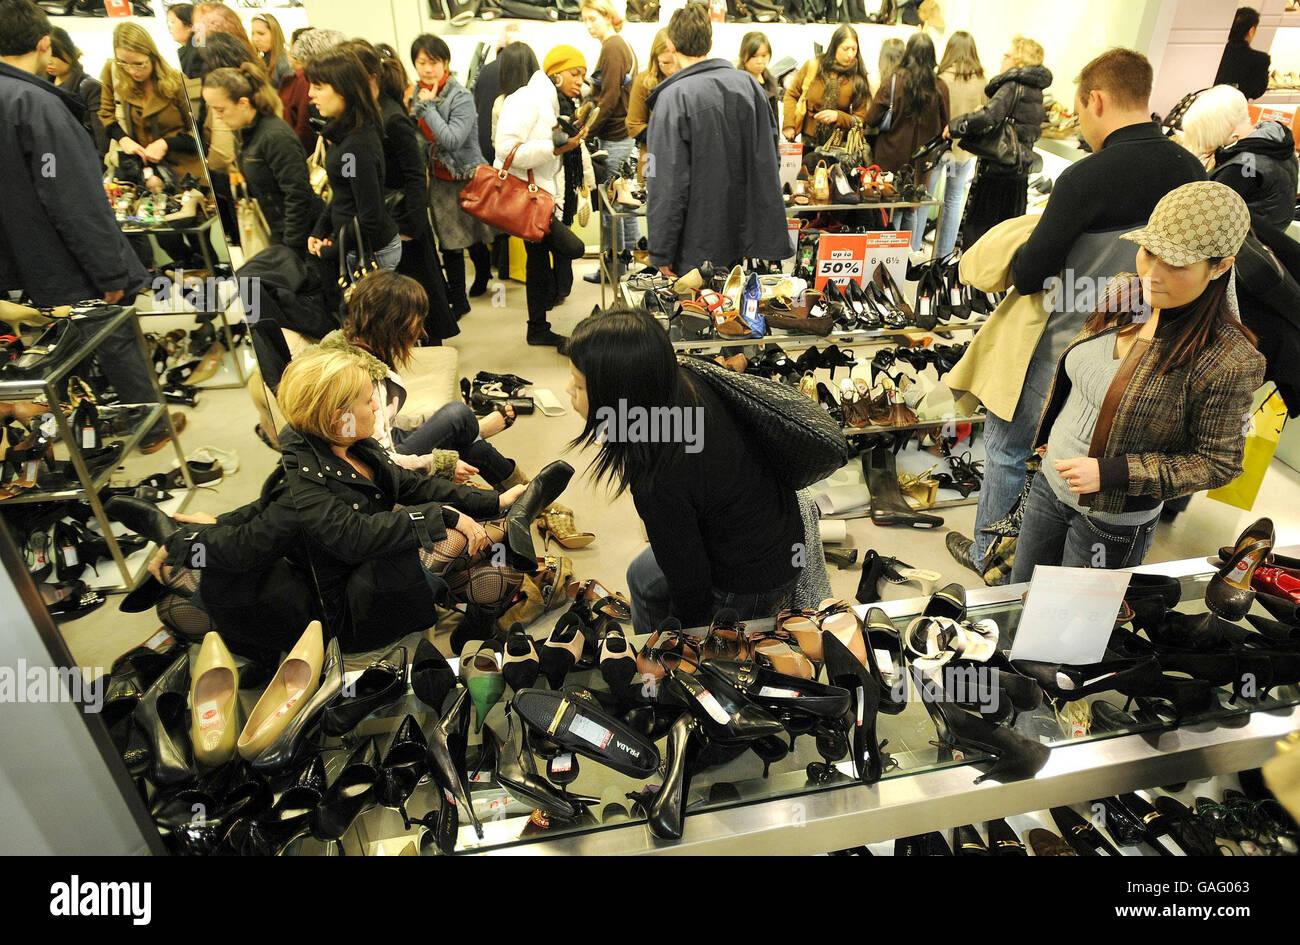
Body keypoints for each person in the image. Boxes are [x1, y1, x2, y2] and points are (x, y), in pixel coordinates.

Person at [946, 48, 1207, 582]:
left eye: (1080, 110)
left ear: (1096, 99)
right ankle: (1065, 563)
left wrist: (1020, 241)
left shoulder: (1086, 178)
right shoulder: (1190, 171)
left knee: (1009, 445)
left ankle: (991, 558)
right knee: (1100, 454)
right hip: (1149, 339)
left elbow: (1031, 273)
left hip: (1067, 334)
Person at [143, 346, 534, 655]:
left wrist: (490, 503)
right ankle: (502, 544)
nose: (378, 407)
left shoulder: (354, 445)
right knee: (455, 540)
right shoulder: (304, 487)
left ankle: (501, 534)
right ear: (338, 415)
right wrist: (181, 541)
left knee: (480, 547)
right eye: (368, 401)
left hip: (364, 571)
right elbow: (353, 536)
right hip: (345, 609)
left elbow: (409, 485)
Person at [1010, 182, 1265, 580]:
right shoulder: (1124, 294)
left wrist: (1115, 473)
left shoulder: (1227, 359)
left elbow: (1218, 462)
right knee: (1018, 598)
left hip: (1108, 521)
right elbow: (1085, 378)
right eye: (1150, 252)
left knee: (1067, 631)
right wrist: (1053, 432)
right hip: (1048, 486)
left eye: (1177, 264)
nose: (1153, 273)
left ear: (1220, 266)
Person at [0, 0, 183, 455]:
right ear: (44, 43)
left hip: (20, 263)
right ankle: (149, 426)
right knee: (112, 337)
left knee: (47, 351)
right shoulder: (36, 105)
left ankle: (71, 428)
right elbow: (70, 199)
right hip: (60, 259)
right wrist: (111, 272)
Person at [566, 308, 802, 634]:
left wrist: (682, 642)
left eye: (578, 385)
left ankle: (664, 672)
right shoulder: (678, 382)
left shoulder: (658, 468)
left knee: (712, 662)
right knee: (641, 577)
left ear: (616, 395)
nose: (568, 391)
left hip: (754, 574)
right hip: (755, 530)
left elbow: (689, 582)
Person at [316, 270, 527, 490]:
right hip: (380, 464)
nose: (421, 332)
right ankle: (527, 492)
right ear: (392, 324)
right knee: (459, 415)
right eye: (415, 322)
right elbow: (368, 458)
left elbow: (378, 429)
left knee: (473, 446)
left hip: (378, 446)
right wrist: (433, 463)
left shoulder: (348, 356)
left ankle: (528, 495)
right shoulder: (357, 379)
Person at [646, 2, 790, 278]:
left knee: (695, 315)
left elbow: (666, 183)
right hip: (744, 235)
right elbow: (772, 154)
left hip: (695, 241)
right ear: (710, 41)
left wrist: (661, 251)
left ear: (673, 46)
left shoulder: (673, 99)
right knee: (734, 312)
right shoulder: (748, 85)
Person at [345, 39, 457, 345]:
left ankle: (430, 356)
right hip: (389, 222)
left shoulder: (391, 117)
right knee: (405, 301)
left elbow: (415, 175)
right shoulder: (368, 115)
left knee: (418, 300)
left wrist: (410, 226)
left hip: (403, 222)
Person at [494, 42, 586, 349]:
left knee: (538, 260)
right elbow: (506, 150)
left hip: (541, 194)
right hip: (530, 198)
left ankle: (538, 326)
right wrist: (554, 148)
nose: (579, 80)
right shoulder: (526, 100)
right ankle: (539, 324)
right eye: (575, 73)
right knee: (571, 248)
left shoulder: (538, 98)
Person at [409, 33, 495, 318]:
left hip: (468, 173)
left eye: (433, 62)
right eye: (421, 62)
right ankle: (459, 300)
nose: (427, 69)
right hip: (439, 179)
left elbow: (452, 139)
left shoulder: (461, 96)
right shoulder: (414, 94)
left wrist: (427, 107)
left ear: (445, 64)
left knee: (477, 233)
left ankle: (483, 275)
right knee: (449, 241)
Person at [202, 63, 321, 260]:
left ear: (243, 103)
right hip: (279, 231)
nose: (216, 116)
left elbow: (298, 195)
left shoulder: (275, 136)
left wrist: (289, 249)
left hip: (302, 238)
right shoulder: (244, 133)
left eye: (220, 109)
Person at [306, 47, 402, 273]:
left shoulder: (355, 146)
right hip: (357, 245)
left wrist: (334, 248)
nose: (310, 94)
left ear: (344, 90)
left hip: (370, 251)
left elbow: (369, 214)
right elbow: (345, 193)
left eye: (318, 87)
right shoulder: (344, 135)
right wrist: (320, 229)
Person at [950, 34, 1049, 249]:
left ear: (1019, 60)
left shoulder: (1012, 86)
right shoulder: (1036, 91)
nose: (1002, 58)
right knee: (1005, 240)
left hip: (996, 171)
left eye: (1008, 54)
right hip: (1018, 175)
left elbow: (989, 116)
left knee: (981, 238)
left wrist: (956, 125)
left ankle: (975, 282)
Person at [865, 31, 949, 250]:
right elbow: (945, 125)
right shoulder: (939, 87)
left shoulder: (894, 81)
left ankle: (882, 258)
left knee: (886, 212)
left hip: (889, 157)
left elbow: (871, 118)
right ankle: (906, 258)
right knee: (911, 208)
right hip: (921, 162)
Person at [99, 21, 206, 186]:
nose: (132, 70)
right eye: (123, 63)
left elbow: (198, 132)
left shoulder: (176, 82)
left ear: (151, 55)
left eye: (139, 63)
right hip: (138, 172)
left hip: (182, 171)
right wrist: (123, 139)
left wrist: (166, 143)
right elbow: (105, 113)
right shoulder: (113, 72)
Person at [1179, 84, 1298, 230]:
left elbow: (1200, 218)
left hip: (1243, 245)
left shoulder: (1241, 168)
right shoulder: (1274, 141)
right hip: (1267, 239)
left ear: (1221, 128)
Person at [580, 0, 640, 285]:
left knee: (615, 210)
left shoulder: (613, 47)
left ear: (607, 16)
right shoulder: (618, 45)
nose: (589, 25)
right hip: (620, 136)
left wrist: (588, 131)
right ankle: (619, 267)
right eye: (585, 20)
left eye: (593, 19)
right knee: (620, 208)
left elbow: (610, 97)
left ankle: (617, 268)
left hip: (616, 137)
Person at [547, 45, 596, 308]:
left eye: (582, 76)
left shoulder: (569, 105)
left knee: (561, 233)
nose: (579, 81)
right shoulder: (549, 105)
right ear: (555, 73)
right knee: (557, 238)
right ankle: (557, 288)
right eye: (574, 74)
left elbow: (578, 148)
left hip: (563, 183)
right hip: (551, 184)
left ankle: (560, 288)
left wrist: (587, 181)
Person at [931, 31, 984, 258]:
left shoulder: (941, 78)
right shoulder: (982, 81)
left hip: (939, 148)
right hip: (962, 151)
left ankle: (913, 251)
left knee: (926, 197)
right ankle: (942, 256)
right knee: (953, 199)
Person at [781, 25, 872, 150]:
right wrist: (789, 125)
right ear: (835, 47)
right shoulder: (814, 66)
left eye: (854, 49)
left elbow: (860, 119)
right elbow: (791, 95)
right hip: (808, 142)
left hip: (839, 146)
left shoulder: (857, 77)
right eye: (845, 49)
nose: (850, 54)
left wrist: (838, 116)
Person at [46, 27, 107, 160]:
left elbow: (101, 141)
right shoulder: (44, 84)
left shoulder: (89, 87)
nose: (49, 61)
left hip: (80, 159)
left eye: (55, 55)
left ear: (69, 52)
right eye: (46, 54)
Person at [282, 28, 344, 153]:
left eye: (318, 86)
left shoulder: (352, 137)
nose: (310, 93)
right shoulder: (341, 126)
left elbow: (349, 170)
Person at [626, 28, 675, 142]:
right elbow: (634, 125)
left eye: (676, 62)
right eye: (666, 63)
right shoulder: (644, 80)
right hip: (653, 153)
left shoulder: (689, 78)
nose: (672, 70)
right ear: (655, 59)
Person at [1214, 6, 1270, 101]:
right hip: (1236, 111)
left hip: (1208, 109)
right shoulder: (1260, 59)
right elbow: (1256, 92)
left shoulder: (1215, 52)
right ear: (1251, 31)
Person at [738, 31, 780, 130]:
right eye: (754, 56)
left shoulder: (770, 81)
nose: (760, 61)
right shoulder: (738, 84)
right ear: (743, 55)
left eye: (764, 55)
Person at [250, 12, 294, 91]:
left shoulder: (285, 61)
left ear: (274, 34)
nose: (255, 39)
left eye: (261, 34)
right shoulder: (263, 59)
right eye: (253, 33)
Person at [166, 3, 202, 79]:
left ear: (190, 26)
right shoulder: (181, 52)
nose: (169, 27)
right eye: (168, 23)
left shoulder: (198, 54)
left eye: (172, 22)